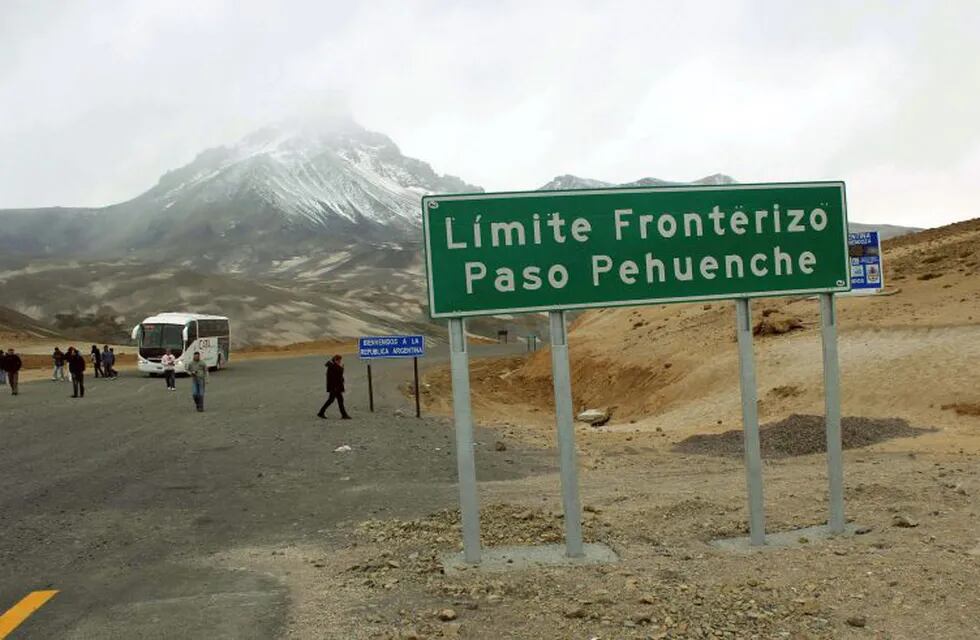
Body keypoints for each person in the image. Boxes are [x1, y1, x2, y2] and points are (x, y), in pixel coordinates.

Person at [317, 354, 351, 419]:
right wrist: (341, 368)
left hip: (336, 387)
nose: (340, 362)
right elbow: (336, 376)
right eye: (339, 360)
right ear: (335, 360)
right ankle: (321, 412)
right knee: (331, 400)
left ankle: (344, 415)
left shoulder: (333, 366)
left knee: (338, 400)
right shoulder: (332, 367)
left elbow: (338, 376)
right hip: (335, 387)